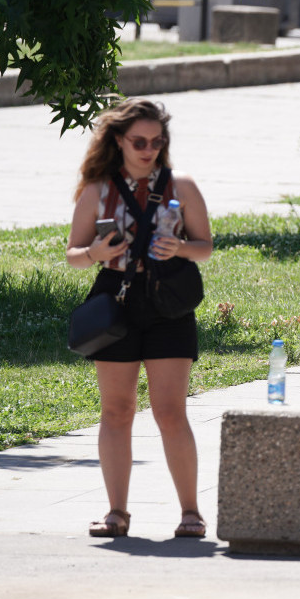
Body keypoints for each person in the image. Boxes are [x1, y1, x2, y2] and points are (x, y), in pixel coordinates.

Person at [65, 98, 213, 538]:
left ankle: (190, 512)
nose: (149, 149)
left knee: (170, 411)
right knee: (116, 411)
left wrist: (181, 248)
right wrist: (95, 253)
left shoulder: (180, 186)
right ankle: (117, 512)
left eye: (156, 141)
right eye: (139, 141)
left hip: (168, 301)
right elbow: (73, 255)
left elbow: (205, 245)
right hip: (115, 301)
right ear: (118, 141)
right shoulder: (97, 190)